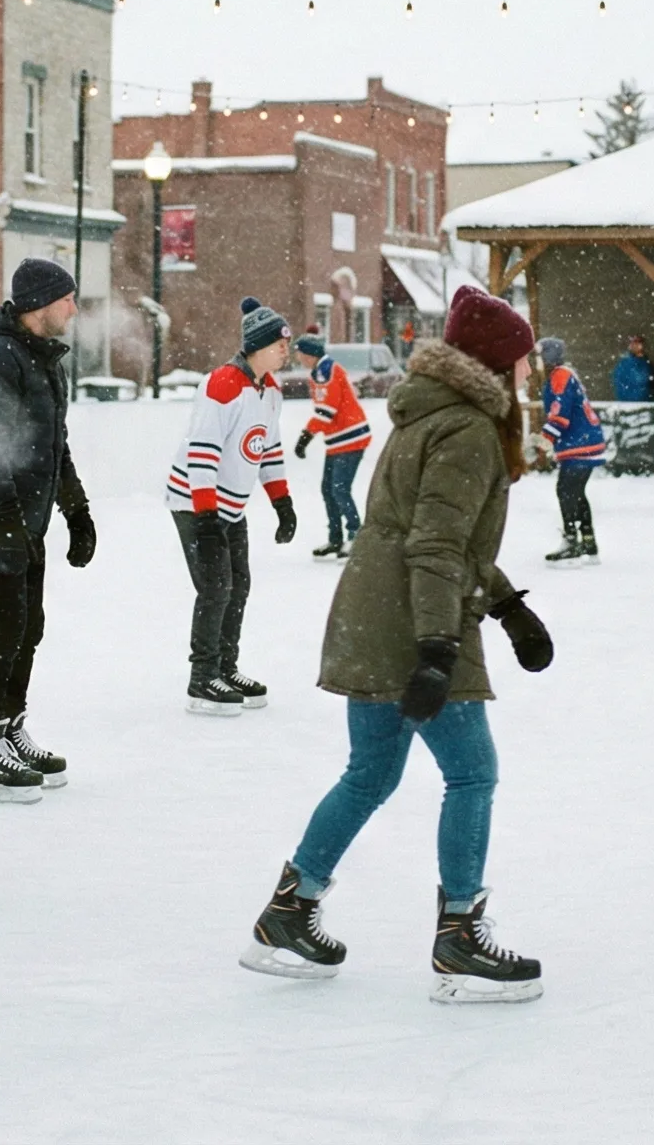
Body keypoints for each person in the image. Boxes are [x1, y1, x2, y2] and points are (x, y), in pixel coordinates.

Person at [238, 283, 553, 1003]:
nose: (529, 374)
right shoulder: (469, 430)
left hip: (373, 614)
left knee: (370, 775)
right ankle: (461, 935)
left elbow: (436, 534)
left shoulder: (425, 415)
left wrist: (507, 608)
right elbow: (437, 546)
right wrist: (440, 648)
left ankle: (289, 909)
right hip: (413, 620)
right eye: (523, 361)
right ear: (498, 365)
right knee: (472, 773)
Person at [0, 257, 95, 802]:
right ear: (38, 304)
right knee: (4, 628)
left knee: (29, 626)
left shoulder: (43, 359)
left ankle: (9, 726)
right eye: (68, 299)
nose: (75, 309)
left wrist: (76, 510)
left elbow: (56, 446)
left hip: (21, 518)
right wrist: (5, 521)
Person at [167, 298, 297, 714]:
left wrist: (283, 503)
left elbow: (268, 451)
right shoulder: (222, 384)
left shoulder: (271, 391)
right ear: (258, 346)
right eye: (279, 344)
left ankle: (226, 666)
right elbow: (201, 456)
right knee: (215, 587)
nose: (285, 350)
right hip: (195, 502)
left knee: (238, 585)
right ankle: (202, 678)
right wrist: (205, 519)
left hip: (231, 507)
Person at [292, 334, 371, 561]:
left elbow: (326, 411)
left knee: (339, 489)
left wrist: (305, 436)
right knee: (328, 489)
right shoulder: (318, 372)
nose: (297, 356)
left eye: (299, 352)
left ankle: (355, 536)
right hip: (337, 440)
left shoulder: (329, 371)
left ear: (309, 354)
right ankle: (335, 539)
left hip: (351, 437)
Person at [536, 337, 607, 563]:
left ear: (548, 357)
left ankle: (572, 540)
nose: (536, 361)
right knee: (576, 492)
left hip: (579, 443)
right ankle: (588, 540)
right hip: (585, 439)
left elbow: (559, 416)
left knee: (565, 490)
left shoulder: (560, 376)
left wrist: (542, 443)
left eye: (538, 356)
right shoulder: (564, 374)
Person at [611, 335, 654, 404]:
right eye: (635, 342)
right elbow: (620, 384)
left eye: (640, 342)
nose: (638, 345)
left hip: (645, 404)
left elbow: (650, 384)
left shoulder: (647, 364)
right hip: (630, 404)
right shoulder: (624, 364)